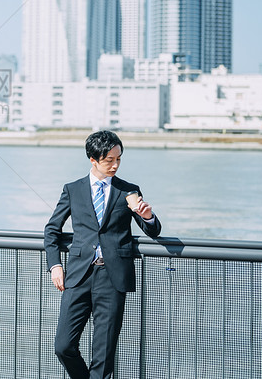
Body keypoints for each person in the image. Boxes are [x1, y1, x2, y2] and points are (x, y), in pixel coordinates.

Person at [44, 130, 161, 379]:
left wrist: (147, 216)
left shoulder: (128, 190)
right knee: (63, 346)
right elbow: (52, 229)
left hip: (112, 277)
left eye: (118, 159)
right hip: (77, 276)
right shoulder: (73, 190)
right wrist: (55, 266)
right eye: (109, 160)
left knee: (104, 354)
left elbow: (153, 230)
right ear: (93, 160)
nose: (115, 165)